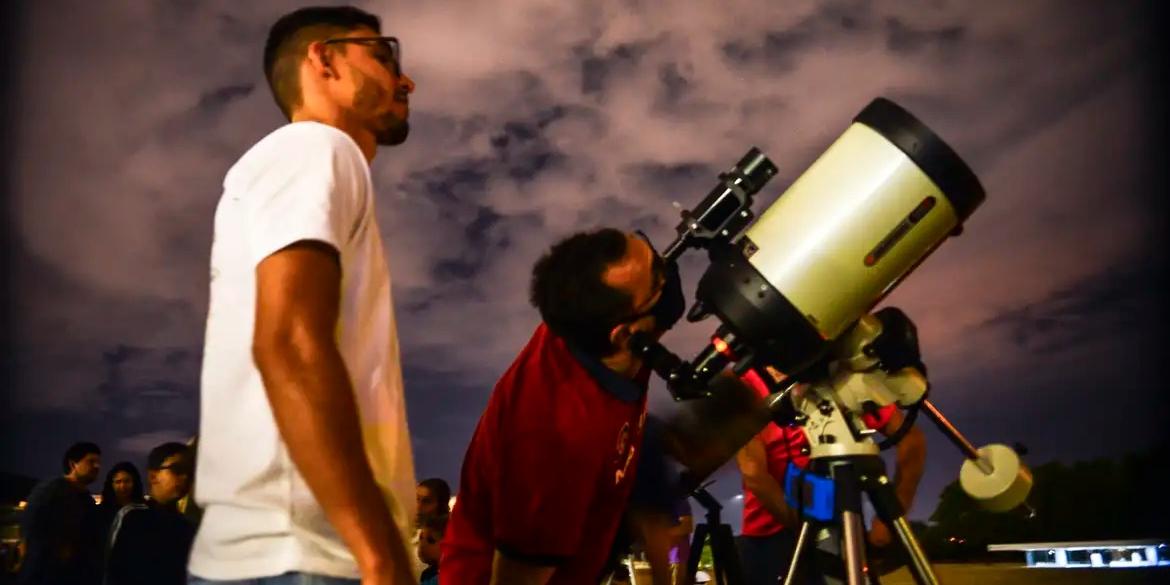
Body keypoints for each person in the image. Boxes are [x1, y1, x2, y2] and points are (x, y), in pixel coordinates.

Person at [189, 5, 418, 584]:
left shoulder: (305, 160)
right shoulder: (316, 148)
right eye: (384, 56)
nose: (406, 79)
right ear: (324, 60)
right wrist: (379, 556)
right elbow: (289, 341)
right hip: (306, 560)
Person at [440, 228, 687, 584]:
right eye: (658, 279)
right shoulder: (553, 446)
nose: (669, 268)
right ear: (625, 336)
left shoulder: (585, 324)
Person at [735, 370, 927, 585]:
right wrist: (809, 531)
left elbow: (911, 440)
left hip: (840, 524)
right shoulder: (747, 386)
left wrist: (890, 514)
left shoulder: (836, 374)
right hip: (771, 534)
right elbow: (754, 473)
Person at [104, 443, 197, 585]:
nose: (185, 477)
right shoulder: (133, 517)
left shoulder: (187, 525)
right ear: (153, 476)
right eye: (178, 470)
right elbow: (113, 572)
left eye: (190, 472)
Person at [18, 441, 102, 585]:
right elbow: (30, 525)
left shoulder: (87, 499)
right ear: (73, 464)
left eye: (98, 462)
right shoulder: (51, 489)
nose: (97, 466)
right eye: (91, 461)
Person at [416, 513, 446, 585]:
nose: (422, 544)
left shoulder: (442, 578)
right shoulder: (428, 573)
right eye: (421, 537)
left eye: (431, 540)